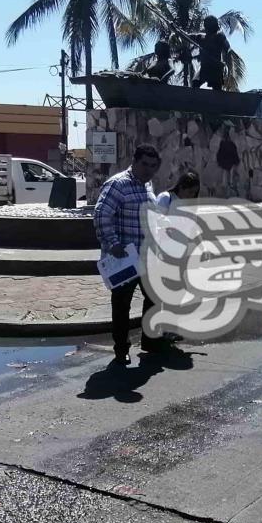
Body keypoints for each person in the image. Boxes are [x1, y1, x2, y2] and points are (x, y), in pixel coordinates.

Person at [94, 144, 162, 365]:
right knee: (122, 305)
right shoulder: (118, 184)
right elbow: (102, 214)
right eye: (144, 164)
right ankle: (121, 348)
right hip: (124, 259)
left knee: (154, 298)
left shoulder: (148, 186)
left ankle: (149, 342)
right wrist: (113, 243)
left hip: (146, 256)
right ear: (134, 161)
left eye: (153, 166)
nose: (149, 170)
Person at [190, 16, 231, 91]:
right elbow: (188, 36)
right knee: (195, 83)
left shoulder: (220, 37)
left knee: (217, 89)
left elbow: (227, 49)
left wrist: (225, 64)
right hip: (204, 68)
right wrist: (176, 30)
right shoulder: (201, 37)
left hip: (215, 68)